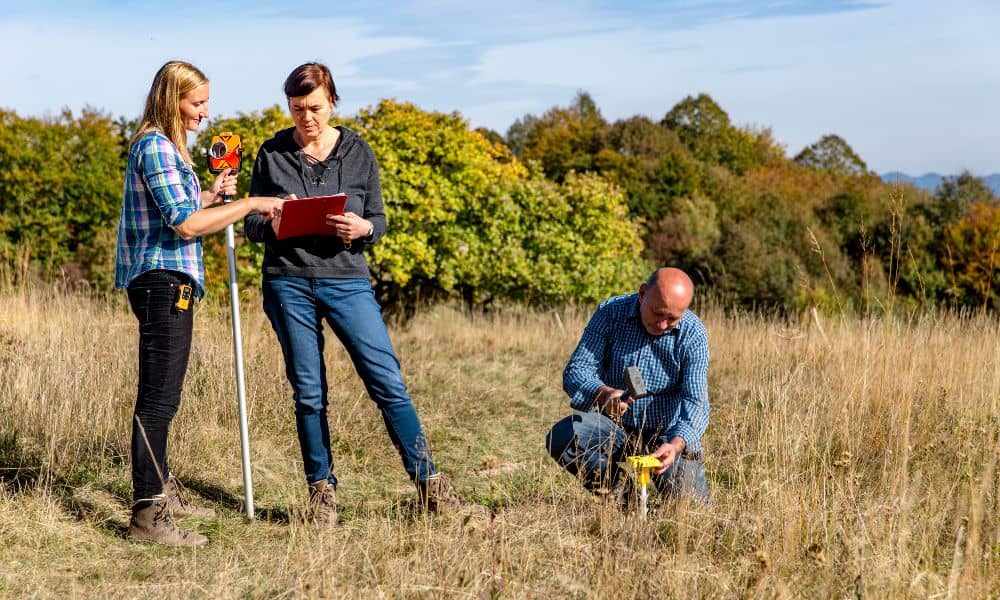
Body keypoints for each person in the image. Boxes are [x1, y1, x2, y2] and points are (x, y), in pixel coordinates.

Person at [244, 62, 460, 529]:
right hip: (288, 281)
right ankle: (322, 493)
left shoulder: (359, 153)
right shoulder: (272, 153)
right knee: (308, 391)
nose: (307, 119)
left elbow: (378, 221)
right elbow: (250, 225)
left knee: (387, 381)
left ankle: (430, 485)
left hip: (348, 280)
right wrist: (271, 224)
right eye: (297, 109)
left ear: (333, 101)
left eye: (315, 108)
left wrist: (363, 229)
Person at [114, 60, 283, 546]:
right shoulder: (157, 147)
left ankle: (163, 489)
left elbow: (186, 213)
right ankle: (148, 514)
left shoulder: (167, 151)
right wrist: (250, 204)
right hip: (163, 281)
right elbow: (185, 227)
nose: (205, 113)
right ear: (172, 100)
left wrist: (211, 196)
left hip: (167, 279)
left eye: (207, 102)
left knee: (164, 394)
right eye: (197, 103)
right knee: (159, 399)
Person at [545, 267, 710, 507]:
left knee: (692, 510)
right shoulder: (610, 313)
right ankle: (627, 501)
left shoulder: (693, 333)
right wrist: (602, 393)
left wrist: (675, 445)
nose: (663, 324)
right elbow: (577, 370)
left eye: (673, 318)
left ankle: (670, 498)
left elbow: (695, 400)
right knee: (563, 437)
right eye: (658, 313)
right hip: (615, 428)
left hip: (666, 434)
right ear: (642, 294)